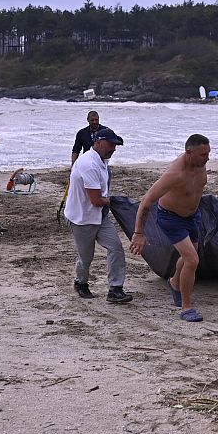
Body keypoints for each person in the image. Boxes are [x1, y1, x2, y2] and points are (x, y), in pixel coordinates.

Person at [129, 134, 210, 322]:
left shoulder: (200, 163)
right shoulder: (175, 174)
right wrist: (139, 232)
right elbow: (146, 201)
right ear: (189, 153)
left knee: (189, 257)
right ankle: (186, 308)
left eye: (208, 153)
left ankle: (175, 282)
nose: (207, 158)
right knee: (192, 260)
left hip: (192, 216)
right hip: (171, 219)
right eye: (203, 154)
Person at [63, 128, 133, 304]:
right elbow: (95, 199)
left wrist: (111, 202)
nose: (114, 149)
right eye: (111, 145)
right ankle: (81, 283)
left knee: (116, 247)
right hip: (82, 218)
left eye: (115, 145)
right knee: (86, 257)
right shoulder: (89, 163)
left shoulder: (102, 160)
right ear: (99, 142)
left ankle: (115, 289)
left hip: (100, 216)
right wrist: (116, 201)